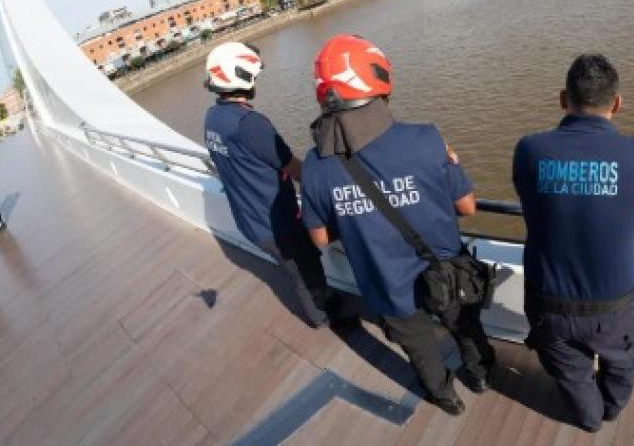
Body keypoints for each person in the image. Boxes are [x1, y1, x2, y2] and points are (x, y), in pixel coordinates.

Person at [299, 34, 495, 416]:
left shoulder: (315, 167)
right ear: (378, 81)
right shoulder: (426, 139)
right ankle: (482, 375)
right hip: (446, 274)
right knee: (466, 329)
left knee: (420, 348)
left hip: (386, 286)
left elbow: (320, 237)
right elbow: (467, 206)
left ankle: (444, 397)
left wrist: (353, 213)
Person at [512, 53, 634, 433]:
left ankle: (590, 418)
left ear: (563, 99)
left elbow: (530, 197)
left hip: (550, 305)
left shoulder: (529, 149)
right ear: (617, 103)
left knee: (570, 371)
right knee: (622, 361)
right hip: (617, 305)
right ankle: (612, 408)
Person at [202, 41, 352, 329]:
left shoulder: (212, 118)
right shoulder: (249, 123)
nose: (256, 80)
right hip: (277, 222)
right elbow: (293, 167)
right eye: (254, 75)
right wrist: (330, 188)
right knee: (305, 270)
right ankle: (323, 316)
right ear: (243, 78)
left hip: (248, 218)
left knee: (294, 267)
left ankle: (323, 303)